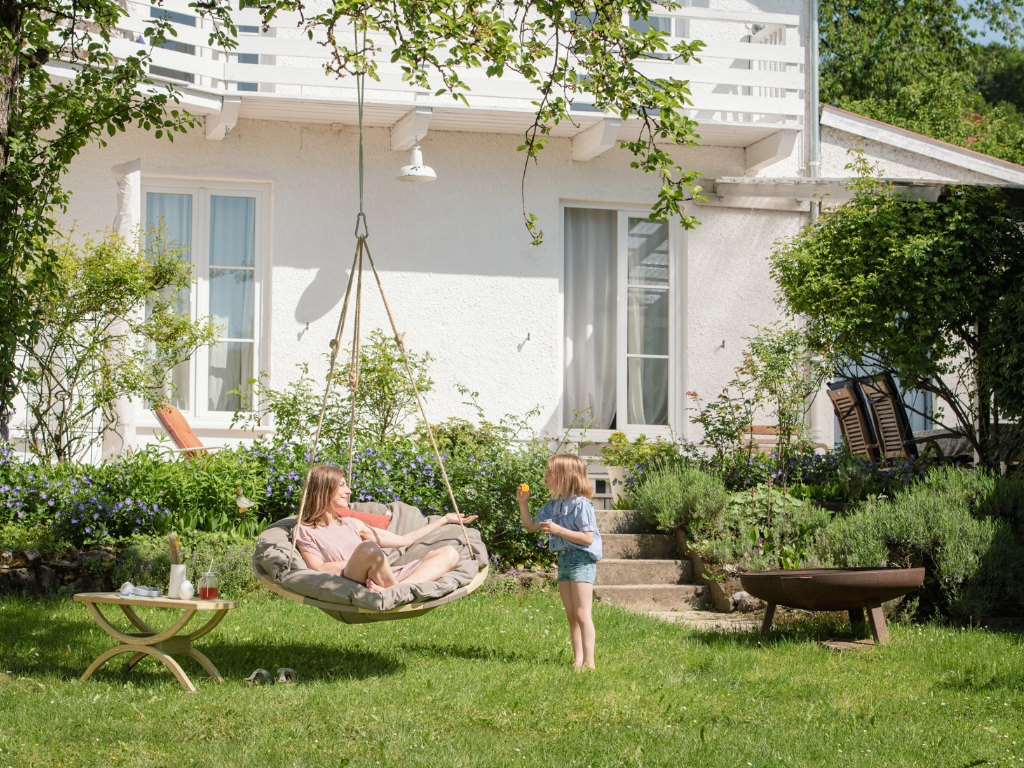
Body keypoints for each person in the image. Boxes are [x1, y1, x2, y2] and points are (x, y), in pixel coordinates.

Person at [294, 465, 477, 591]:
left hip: (385, 575)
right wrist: (358, 562)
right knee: (368, 548)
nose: (349, 491)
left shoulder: (351, 523)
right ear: (324, 490)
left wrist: (444, 520)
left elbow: (404, 540)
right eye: (342, 485)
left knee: (449, 553)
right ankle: (394, 589)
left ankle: (396, 590)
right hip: (352, 579)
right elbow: (318, 568)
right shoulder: (304, 530)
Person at [518, 454, 603, 670]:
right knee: (572, 615)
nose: (545, 476)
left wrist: (559, 530)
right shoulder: (554, 504)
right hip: (564, 559)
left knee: (583, 613)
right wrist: (523, 503)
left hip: (581, 560)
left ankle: (590, 663)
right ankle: (577, 660)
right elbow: (531, 526)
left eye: (549, 472)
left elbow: (587, 538)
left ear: (564, 477)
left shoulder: (582, 504)